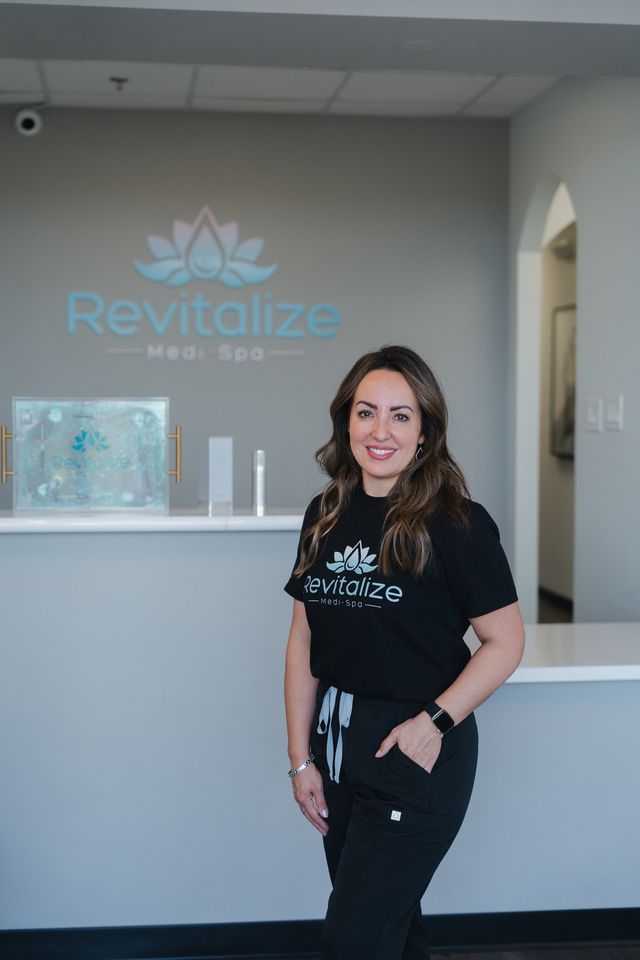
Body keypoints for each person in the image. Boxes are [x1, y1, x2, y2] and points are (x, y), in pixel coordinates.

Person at [283, 345, 525, 960]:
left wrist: (433, 723)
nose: (380, 431)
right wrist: (299, 756)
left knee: (354, 939)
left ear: (424, 433)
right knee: (389, 929)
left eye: (400, 416)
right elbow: (303, 639)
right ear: (346, 422)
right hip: (337, 744)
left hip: (416, 749)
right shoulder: (325, 513)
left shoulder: (457, 523)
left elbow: (505, 642)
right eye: (366, 412)